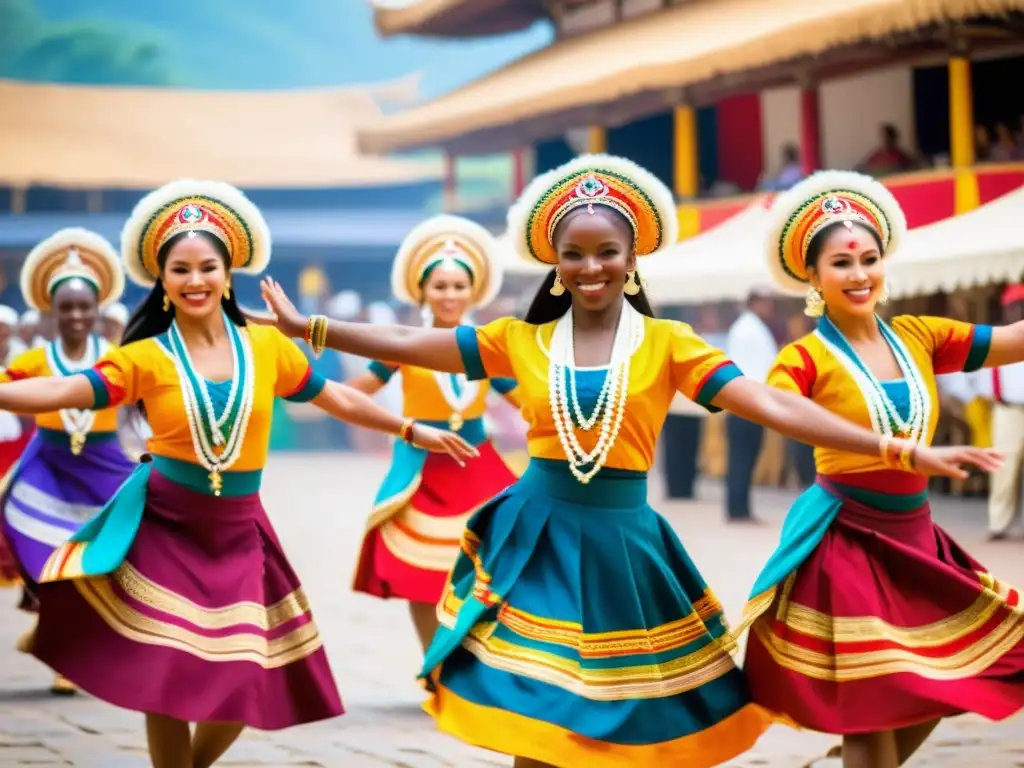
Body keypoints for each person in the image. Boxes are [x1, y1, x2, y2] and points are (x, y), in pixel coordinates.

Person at [252, 154, 996, 768]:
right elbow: (417, 346)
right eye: (573, 255)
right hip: (537, 538)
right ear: (553, 261)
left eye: (607, 253)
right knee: (533, 711)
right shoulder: (521, 338)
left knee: (629, 722)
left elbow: (774, 407)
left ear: (633, 257)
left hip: (625, 546)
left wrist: (898, 448)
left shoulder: (670, 343)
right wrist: (314, 327)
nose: (591, 267)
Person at [0, 180, 476, 768]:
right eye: (181, 269)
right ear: (163, 281)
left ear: (229, 273)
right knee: (167, 673)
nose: (195, 279)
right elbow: (70, 387)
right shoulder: (145, 356)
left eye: (207, 266)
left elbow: (336, 398)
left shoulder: (268, 348)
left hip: (239, 530)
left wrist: (409, 429)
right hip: (166, 525)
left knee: (246, 673)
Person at [736, 170, 1020, 768]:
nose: (859, 274)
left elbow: (1014, 340)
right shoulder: (804, 358)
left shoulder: (920, 336)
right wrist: (901, 452)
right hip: (847, 536)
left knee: (944, 680)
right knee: (873, 700)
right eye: (841, 262)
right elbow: (779, 411)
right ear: (812, 276)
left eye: (868, 258)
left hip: (915, 537)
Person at [344, 215, 521, 653]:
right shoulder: (403, 345)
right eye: (440, 286)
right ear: (422, 291)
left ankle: (473, 663)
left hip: (479, 471)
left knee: (490, 576)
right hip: (425, 473)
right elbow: (349, 395)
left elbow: (531, 402)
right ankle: (434, 665)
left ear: (473, 291)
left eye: (459, 286)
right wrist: (300, 382)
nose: (450, 295)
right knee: (424, 578)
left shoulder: (488, 347)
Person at [0, 228, 133, 696]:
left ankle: (65, 643)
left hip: (103, 469)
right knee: (46, 562)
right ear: (51, 313)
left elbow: (149, 404)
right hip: (47, 468)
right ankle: (64, 655)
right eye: (66, 308)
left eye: (84, 306)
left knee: (100, 562)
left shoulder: (118, 359)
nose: (76, 315)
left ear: (97, 310)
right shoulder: (36, 361)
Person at [724, 286, 778, 521]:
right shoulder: (748, 329)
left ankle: (740, 507)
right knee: (742, 458)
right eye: (766, 302)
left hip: (747, 401)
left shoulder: (749, 327)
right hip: (747, 402)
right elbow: (754, 370)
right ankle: (738, 509)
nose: (770, 307)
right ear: (755, 303)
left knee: (743, 458)